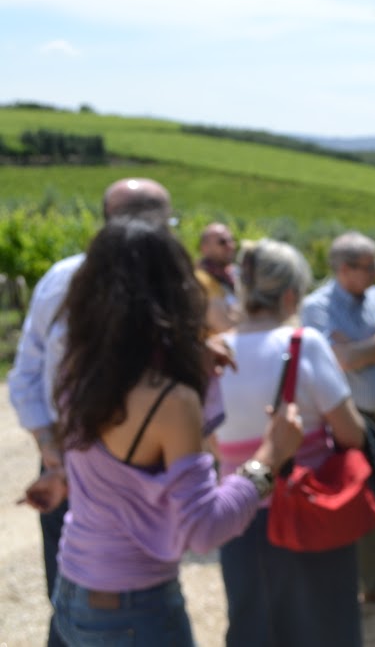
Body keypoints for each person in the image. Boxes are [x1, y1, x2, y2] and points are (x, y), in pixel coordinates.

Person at [49, 217, 305, 646]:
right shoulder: (169, 401)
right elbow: (204, 529)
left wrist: (184, 353)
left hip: (75, 591)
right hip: (134, 609)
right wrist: (271, 456)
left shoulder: (79, 367)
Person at [8, 177, 174, 647]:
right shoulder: (165, 288)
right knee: (97, 593)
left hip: (69, 457)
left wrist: (53, 453)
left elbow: (25, 377)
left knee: (77, 593)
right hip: (126, 463)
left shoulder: (64, 278)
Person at [217, 239, 369, 646]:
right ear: (289, 295)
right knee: (323, 627)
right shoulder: (303, 345)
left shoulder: (213, 354)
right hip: (307, 512)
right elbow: (352, 434)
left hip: (239, 515)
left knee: (253, 625)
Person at [300, 231, 375, 604]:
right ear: (345, 269)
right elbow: (336, 361)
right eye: (370, 266)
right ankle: (342, 585)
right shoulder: (317, 307)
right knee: (346, 497)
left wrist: (359, 350)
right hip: (345, 420)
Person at [195, 222, 241, 333]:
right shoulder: (200, 280)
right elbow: (225, 327)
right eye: (222, 242)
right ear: (204, 248)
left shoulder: (236, 274)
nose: (230, 246)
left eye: (232, 240)